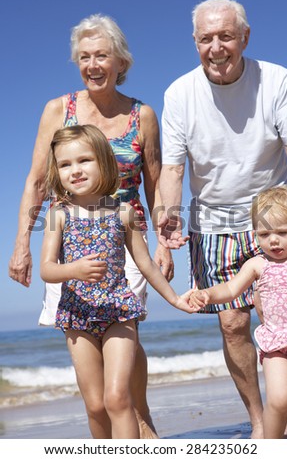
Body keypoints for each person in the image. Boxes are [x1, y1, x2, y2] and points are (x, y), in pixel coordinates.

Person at [8, 14, 173, 436]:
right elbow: (37, 180)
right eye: (84, 57)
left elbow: (153, 182)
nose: (93, 64)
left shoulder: (142, 115)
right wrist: (23, 242)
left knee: (126, 332)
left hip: (127, 233)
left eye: (102, 55)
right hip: (71, 242)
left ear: (121, 61)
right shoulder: (57, 109)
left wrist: (164, 244)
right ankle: (115, 421)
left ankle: (139, 415)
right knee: (91, 364)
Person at [159, 0, 287, 439]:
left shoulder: (274, 78)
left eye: (225, 36)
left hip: (273, 216)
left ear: (245, 37)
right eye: (206, 38)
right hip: (213, 221)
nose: (216, 47)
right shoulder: (180, 93)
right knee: (233, 322)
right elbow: (172, 167)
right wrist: (167, 227)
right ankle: (263, 422)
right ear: (195, 42)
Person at [40, 124, 198, 439]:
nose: (75, 170)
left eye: (84, 160)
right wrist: (74, 270)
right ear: (56, 172)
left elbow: (146, 265)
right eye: (65, 164)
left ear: (104, 161)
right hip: (78, 314)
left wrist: (176, 299)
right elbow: (47, 269)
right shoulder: (59, 214)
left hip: (118, 311)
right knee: (96, 405)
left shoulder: (123, 212)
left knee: (117, 397)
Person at [190, 186, 287, 439]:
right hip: (278, 346)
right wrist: (208, 294)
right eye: (264, 234)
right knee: (281, 399)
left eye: (283, 233)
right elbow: (230, 288)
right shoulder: (257, 265)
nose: (273, 240)